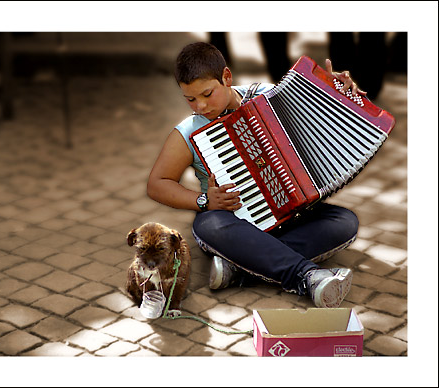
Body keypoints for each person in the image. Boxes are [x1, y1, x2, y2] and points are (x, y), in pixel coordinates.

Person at [147, 42, 365, 308]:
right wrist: (204, 201)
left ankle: (239, 267)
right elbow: (158, 183)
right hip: (231, 221)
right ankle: (308, 277)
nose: (201, 106)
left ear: (227, 77)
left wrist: (335, 94)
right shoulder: (189, 131)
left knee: (344, 221)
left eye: (207, 94)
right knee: (208, 225)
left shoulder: (267, 97)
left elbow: (318, 125)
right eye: (190, 99)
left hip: (288, 216)